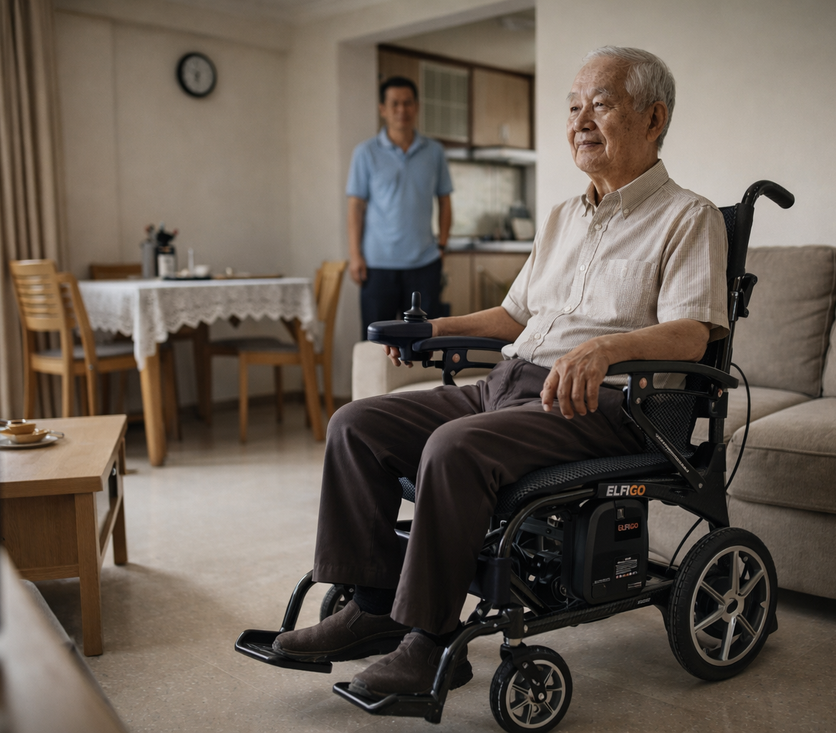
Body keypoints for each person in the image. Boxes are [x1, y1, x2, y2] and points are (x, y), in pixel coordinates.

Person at [275, 46, 729, 699]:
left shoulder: (689, 216)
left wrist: (606, 349)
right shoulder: (562, 217)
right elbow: (516, 315)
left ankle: (431, 643)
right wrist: (432, 328)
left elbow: (691, 333)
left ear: (653, 118)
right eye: (573, 106)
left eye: (599, 104)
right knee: (356, 425)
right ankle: (374, 606)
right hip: (512, 384)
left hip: (602, 404)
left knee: (454, 448)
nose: (579, 120)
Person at [347, 76, 454, 336]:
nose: (401, 110)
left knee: (426, 342)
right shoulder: (365, 152)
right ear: (382, 108)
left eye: (407, 103)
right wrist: (355, 255)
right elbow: (356, 207)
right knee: (375, 343)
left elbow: (445, 201)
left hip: (424, 264)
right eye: (394, 103)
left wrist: (441, 246)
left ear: (416, 106)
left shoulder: (434, 152)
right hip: (377, 265)